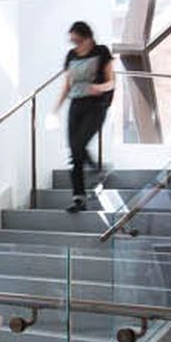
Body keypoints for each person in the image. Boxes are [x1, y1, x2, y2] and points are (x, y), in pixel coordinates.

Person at [55, 21, 114, 211]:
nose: (76, 45)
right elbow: (68, 84)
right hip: (76, 104)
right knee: (74, 150)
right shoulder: (71, 55)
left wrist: (99, 87)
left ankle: (97, 169)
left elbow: (112, 81)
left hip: (96, 105)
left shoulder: (101, 52)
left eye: (78, 40)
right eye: (73, 41)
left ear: (88, 38)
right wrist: (56, 107)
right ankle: (78, 197)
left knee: (79, 145)